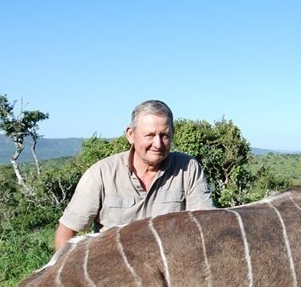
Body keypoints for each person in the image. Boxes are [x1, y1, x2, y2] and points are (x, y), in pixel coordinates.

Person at [54, 100, 214, 251]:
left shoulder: (188, 168)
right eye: (150, 135)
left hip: (170, 267)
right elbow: (67, 230)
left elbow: (206, 224)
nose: (158, 144)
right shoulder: (102, 173)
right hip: (117, 270)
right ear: (131, 134)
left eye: (164, 135)